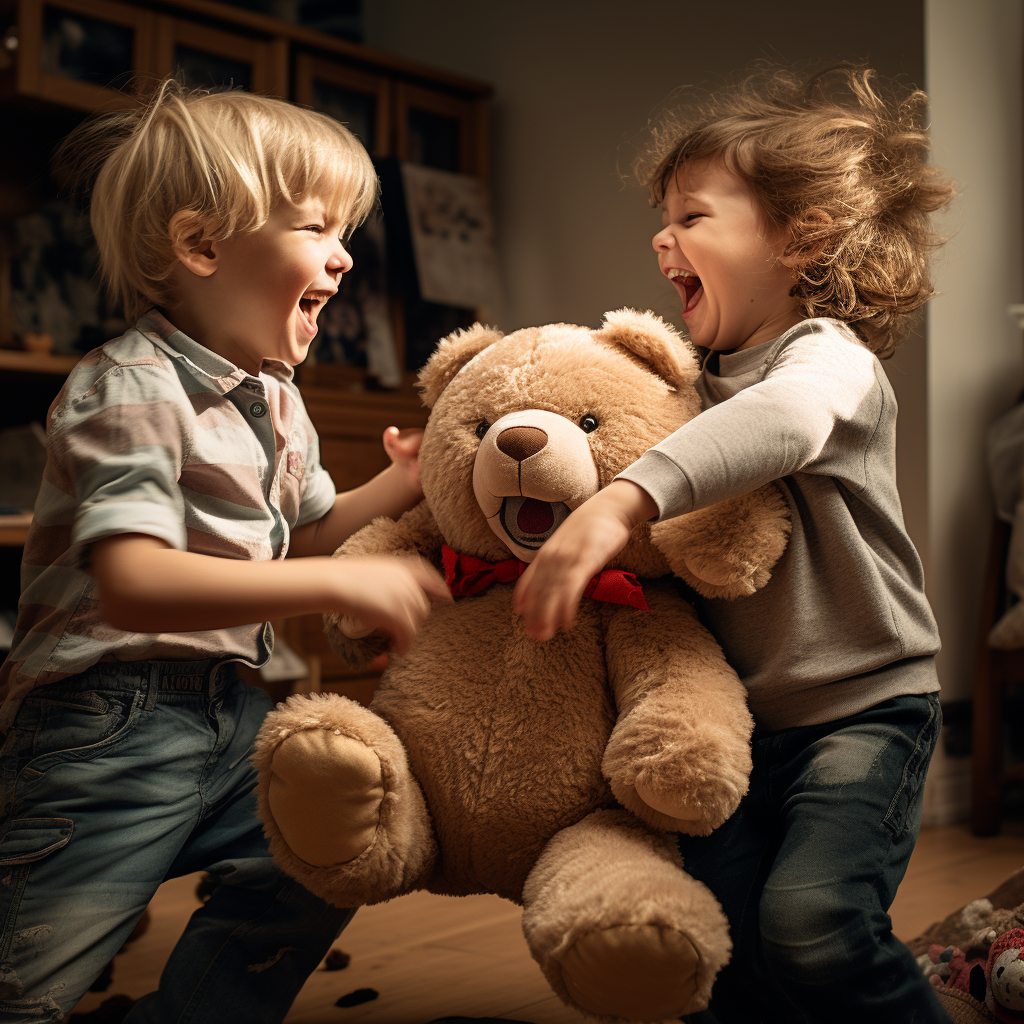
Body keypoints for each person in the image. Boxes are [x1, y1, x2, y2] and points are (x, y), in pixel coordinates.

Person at [514, 66, 957, 1023]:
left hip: (864, 710)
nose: (661, 240)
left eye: (693, 216)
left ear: (803, 237)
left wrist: (623, 502)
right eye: (662, 220)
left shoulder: (828, 359)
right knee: (725, 948)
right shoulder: (685, 384)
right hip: (739, 724)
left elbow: (785, 422)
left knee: (812, 927)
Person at [0, 80, 450, 1023]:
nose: (345, 256)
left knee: (336, 841)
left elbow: (311, 532)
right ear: (202, 245)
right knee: (27, 981)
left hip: (228, 707)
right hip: (105, 724)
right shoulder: (129, 386)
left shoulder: (276, 401)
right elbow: (134, 583)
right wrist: (337, 578)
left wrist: (402, 486)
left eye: (346, 233)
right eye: (317, 230)